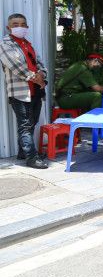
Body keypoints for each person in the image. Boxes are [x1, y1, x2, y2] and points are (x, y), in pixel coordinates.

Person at [0, 13, 49, 169]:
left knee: (31, 123)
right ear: (9, 27)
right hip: (20, 92)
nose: (19, 27)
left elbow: (41, 63)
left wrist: (42, 74)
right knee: (25, 125)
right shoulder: (5, 43)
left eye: (22, 24)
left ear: (27, 27)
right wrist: (37, 78)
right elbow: (17, 67)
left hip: (35, 90)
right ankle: (31, 158)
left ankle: (23, 152)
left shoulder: (28, 43)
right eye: (15, 24)